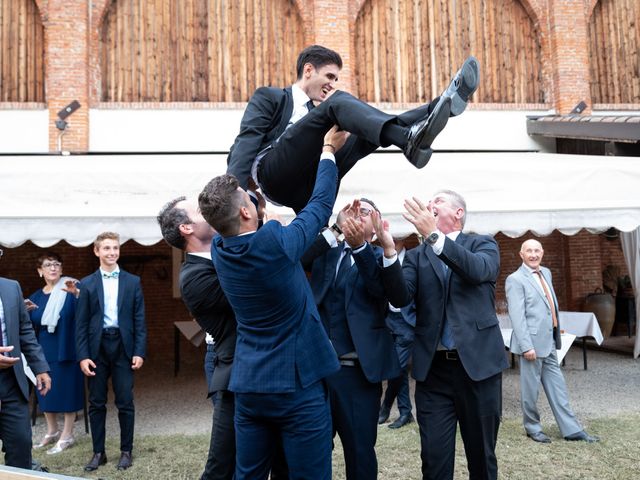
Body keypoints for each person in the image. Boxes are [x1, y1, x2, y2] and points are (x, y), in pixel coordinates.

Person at [198, 126, 347, 480]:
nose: (253, 199)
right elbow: (320, 205)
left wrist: (265, 220)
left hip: (250, 385)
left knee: (247, 474)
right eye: (249, 199)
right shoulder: (275, 243)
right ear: (248, 214)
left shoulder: (220, 250)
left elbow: (244, 231)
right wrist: (328, 151)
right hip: (296, 385)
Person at [227, 44, 479, 212]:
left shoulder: (321, 114)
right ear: (308, 70)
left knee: (365, 135)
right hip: (273, 174)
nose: (331, 84)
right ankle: (407, 139)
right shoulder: (271, 97)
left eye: (335, 79)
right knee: (338, 103)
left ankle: (441, 104)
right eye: (329, 76)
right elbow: (246, 140)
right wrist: (235, 193)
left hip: (307, 189)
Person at [378, 190, 508, 480]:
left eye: (437, 201)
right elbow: (400, 297)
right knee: (434, 461)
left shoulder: (483, 244)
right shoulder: (414, 256)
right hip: (433, 372)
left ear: (458, 213)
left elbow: (477, 271)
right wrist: (388, 252)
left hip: (478, 369)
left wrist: (434, 236)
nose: (429, 205)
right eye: (429, 202)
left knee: (482, 459)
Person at [156, 197, 288, 480]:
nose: (211, 213)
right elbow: (251, 286)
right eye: (201, 211)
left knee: (276, 455)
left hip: (263, 365)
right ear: (186, 228)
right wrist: (269, 232)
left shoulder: (225, 251)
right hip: (233, 371)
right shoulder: (193, 277)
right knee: (223, 461)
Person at [300, 198, 401, 479]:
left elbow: (384, 292)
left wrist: (360, 248)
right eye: (352, 211)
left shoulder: (384, 259)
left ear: (377, 223)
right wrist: (334, 228)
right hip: (316, 371)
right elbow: (296, 259)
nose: (357, 215)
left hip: (356, 375)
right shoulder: (326, 252)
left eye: (364, 212)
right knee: (310, 452)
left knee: (359, 453)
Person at [505, 239, 600, 444]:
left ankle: (571, 429)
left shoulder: (545, 273)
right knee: (530, 390)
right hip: (530, 344)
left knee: (558, 387)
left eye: (536, 250)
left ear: (542, 252)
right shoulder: (515, 279)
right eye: (528, 251)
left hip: (549, 341)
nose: (533, 254)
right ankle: (532, 428)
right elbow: (517, 316)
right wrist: (526, 346)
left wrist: (556, 327)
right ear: (521, 254)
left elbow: (548, 306)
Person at [75, 232, 147, 472]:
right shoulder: (86, 284)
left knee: (125, 401)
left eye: (115, 248)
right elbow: (81, 324)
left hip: (123, 347)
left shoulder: (132, 281)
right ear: (97, 251)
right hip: (96, 349)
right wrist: (83, 356)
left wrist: (139, 351)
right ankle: (99, 452)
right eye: (106, 248)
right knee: (96, 402)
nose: (112, 252)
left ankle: (126, 451)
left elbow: (139, 320)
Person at [27, 252, 84, 455]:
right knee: (45, 391)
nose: (53, 268)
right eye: (48, 265)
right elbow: (29, 323)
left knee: (68, 391)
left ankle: (67, 435)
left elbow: (85, 310)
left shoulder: (70, 287)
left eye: (57, 264)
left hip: (67, 347)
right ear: (40, 271)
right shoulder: (35, 296)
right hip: (43, 349)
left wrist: (77, 294)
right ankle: (52, 431)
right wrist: (26, 312)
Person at [0, 248, 52, 469]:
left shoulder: (11, 288)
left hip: (12, 380)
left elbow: (24, 330)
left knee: (21, 444)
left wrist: (40, 367)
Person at [378, 235, 416, 430]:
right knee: (398, 369)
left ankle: (385, 407)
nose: (394, 238)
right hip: (389, 319)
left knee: (395, 366)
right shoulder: (382, 257)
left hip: (407, 322)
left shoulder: (412, 259)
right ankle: (405, 412)